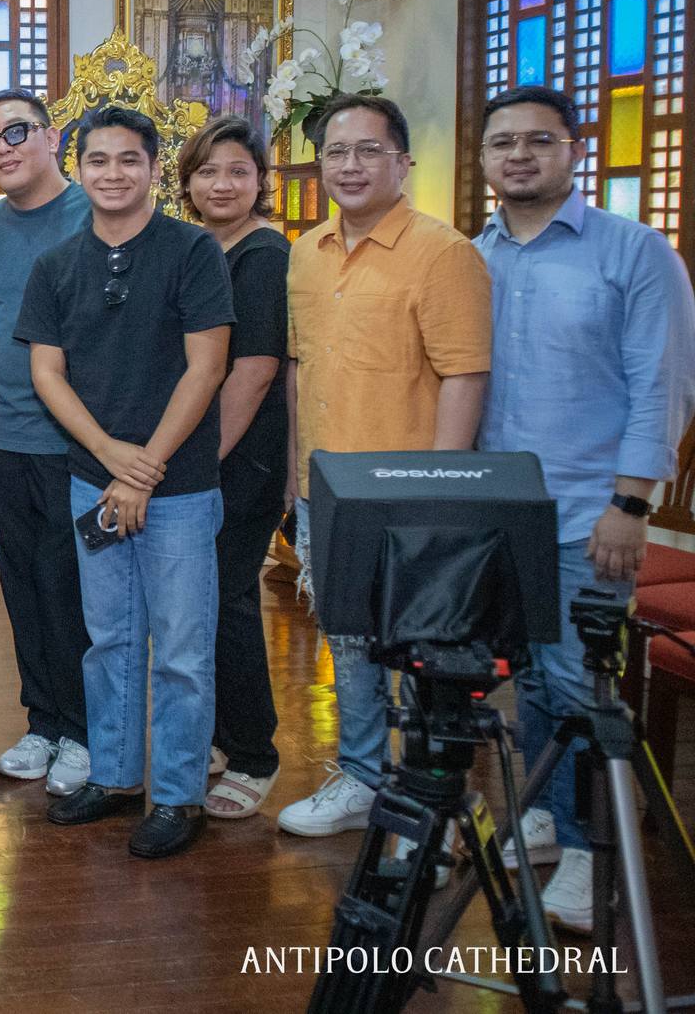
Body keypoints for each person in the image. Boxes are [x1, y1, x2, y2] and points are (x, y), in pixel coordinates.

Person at [472, 84, 695, 931]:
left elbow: (664, 382)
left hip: (590, 509)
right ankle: (538, 812)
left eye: (538, 140)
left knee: (577, 681)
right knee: (529, 673)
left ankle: (585, 846)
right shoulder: (474, 254)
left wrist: (632, 503)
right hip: (504, 509)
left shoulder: (634, 252)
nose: (518, 155)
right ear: (486, 158)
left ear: (574, 150)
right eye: (502, 143)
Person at [276, 94, 491, 839]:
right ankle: (362, 778)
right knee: (348, 642)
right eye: (337, 151)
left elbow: (464, 375)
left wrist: (442, 492)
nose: (351, 165)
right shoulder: (306, 251)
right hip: (327, 487)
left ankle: (428, 803)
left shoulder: (443, 252)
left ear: (403, 161)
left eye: (369, 150)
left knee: (421, 655)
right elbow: (300, 368)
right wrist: (293, 476)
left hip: (409, 493)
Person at [22, 106, 234, 859]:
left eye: (129, 160)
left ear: (154, 168)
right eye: (99, 160)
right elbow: (47, 373)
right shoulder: (55, 266)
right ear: (78, 168)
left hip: (177, 487)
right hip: (94, 480)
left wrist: (144, 466)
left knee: (180, 646)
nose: (113, 173)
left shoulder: (191, 252)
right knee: (109, 639)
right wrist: (112, 454)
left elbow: (207, 366)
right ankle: (113, 777)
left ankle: (178, 794)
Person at [0, 87, 93, 795]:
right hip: (9, 438)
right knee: (23, 591)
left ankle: (82, 730)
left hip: (77, 443)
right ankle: (42, 722)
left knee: (71, 594)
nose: (4, 148)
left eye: (17, 132)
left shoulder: (93, 214)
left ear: (52, 137)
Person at [177, 115, 289, 822]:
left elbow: (250, 373)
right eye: (209, 171)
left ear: (260, 181)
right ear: (186, 181)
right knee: (197, 605)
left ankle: (255, 753)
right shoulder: (196, 248)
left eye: (238, 171)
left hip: (236, 457)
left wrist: (192, 457)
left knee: (229, 601)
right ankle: (219, 735)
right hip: (194, 453)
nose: (222, 183)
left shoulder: (263, 254)